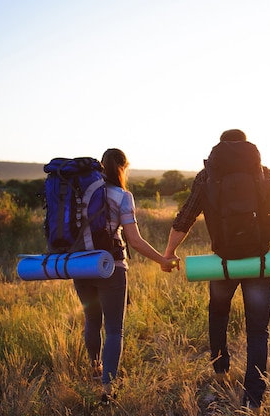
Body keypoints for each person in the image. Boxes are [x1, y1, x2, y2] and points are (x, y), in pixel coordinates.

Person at [164, 129, 270, 412]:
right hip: (260, 263)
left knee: (218, 313)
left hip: (223, 262)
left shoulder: (207, 175)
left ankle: (220, 370)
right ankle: (253, 400)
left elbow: (184, 219)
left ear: (221, 146)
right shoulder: (264, 174)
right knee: (258, 331)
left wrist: (169, 253)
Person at [73, 148, 175, 405]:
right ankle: (108, 388)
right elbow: (135, 241)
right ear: (122, 167)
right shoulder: (122, 196)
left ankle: (95, 368)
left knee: (91, 319)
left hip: (79, 266)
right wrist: (162, 260)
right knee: (114, 329)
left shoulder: (79, 194)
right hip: (111, 267)